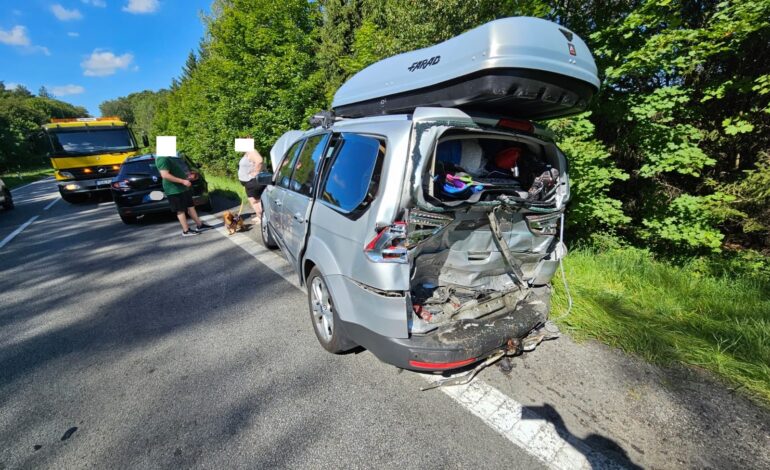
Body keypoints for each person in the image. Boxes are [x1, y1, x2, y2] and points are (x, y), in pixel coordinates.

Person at [156, 155, 213, 237]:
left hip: (182, 188)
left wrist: (186, 177)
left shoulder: (168, 157)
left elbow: (175, 172)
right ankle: (186, 231)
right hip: (174, 190)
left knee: (191, 206)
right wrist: (182, 181)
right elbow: (165, 175)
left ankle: (200, 225)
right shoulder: (162, 159)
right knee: (180, 210)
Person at [238, 148, 265, 223]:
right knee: (256, 200)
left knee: (255, 201)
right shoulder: (248, 152)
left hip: (252, 181)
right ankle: (260, 217)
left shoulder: (251, 151)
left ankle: (262, 219)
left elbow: (260, 161)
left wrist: (255, 172)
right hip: (249, 182)